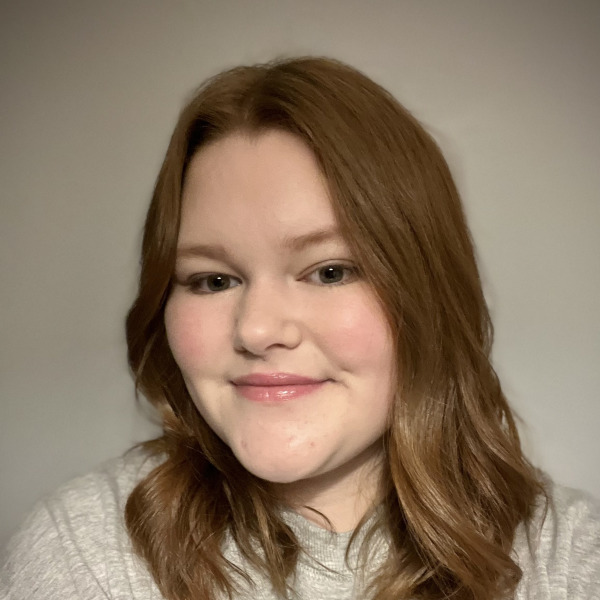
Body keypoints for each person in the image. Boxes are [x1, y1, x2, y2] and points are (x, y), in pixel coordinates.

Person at [1, 57, 599, 600]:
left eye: (330, 272)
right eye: (213, 280)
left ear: (428, 292)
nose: (257, 330)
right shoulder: (82, 556)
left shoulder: (569, 561)